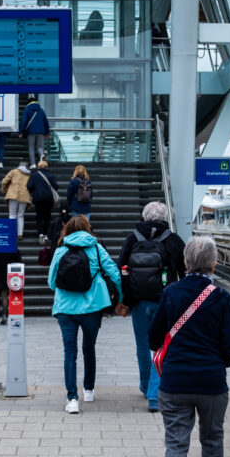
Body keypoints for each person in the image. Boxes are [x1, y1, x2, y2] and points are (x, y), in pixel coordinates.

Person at [148, 236, 230, 457]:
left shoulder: (171, 292)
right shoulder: (222, 297)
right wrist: (218, 364)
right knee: (212, 436)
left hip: (175, 382)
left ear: (186, 263)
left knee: (176, 443)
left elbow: (153, 336)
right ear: (213, 264)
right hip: (211, 382)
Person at [47, 215, 122, 414]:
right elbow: (114, 272)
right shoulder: (96, 248)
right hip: (92, 308)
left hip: (65, 308)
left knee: (69, 352)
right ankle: (88, 390)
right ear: (88, 229)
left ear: (68, 230)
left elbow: (51, 281)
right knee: (89, 348)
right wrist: (121, 297)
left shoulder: (61, 250)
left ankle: (72, 399)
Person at [117, 202, 186, 412]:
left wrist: (124, 301)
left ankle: (146, 385)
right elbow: (184, 271)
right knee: (161, 346)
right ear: (164, 217)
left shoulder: (132, 238)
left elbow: (121, 269)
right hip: (165, 301)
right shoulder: (172, 240)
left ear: (144, 217)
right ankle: (155, 396)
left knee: (142, 345)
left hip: (138, 301)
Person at [27, 159, 59, 242]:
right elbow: (56, 186)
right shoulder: (50, 175)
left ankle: (40, 233)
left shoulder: (34, 175)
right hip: (48, 199)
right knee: (47, 216)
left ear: (38, 167)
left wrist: (35, 190)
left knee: (39, 216)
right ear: (46, 167)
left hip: (38, 198)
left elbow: (29, 186)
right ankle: (46, 234)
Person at [0, 160, 32, 239]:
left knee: (12, 214)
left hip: (13, 194)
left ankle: (11, 233)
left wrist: (4, 190)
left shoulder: (14, 171)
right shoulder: (29, 174)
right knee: (20, 215)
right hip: (24, 195)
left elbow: (4, 181)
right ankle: (20, 234)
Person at [18, 94, 50, 168]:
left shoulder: (27, 109)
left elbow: (23, 122)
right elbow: (46, 121)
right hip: (41, 131)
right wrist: (47, 132)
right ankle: (42, 157)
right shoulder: (41, 110)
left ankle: (33, 164)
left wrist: (21, 132)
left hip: (31, 131)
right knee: (40, 147)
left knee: (31, 147)